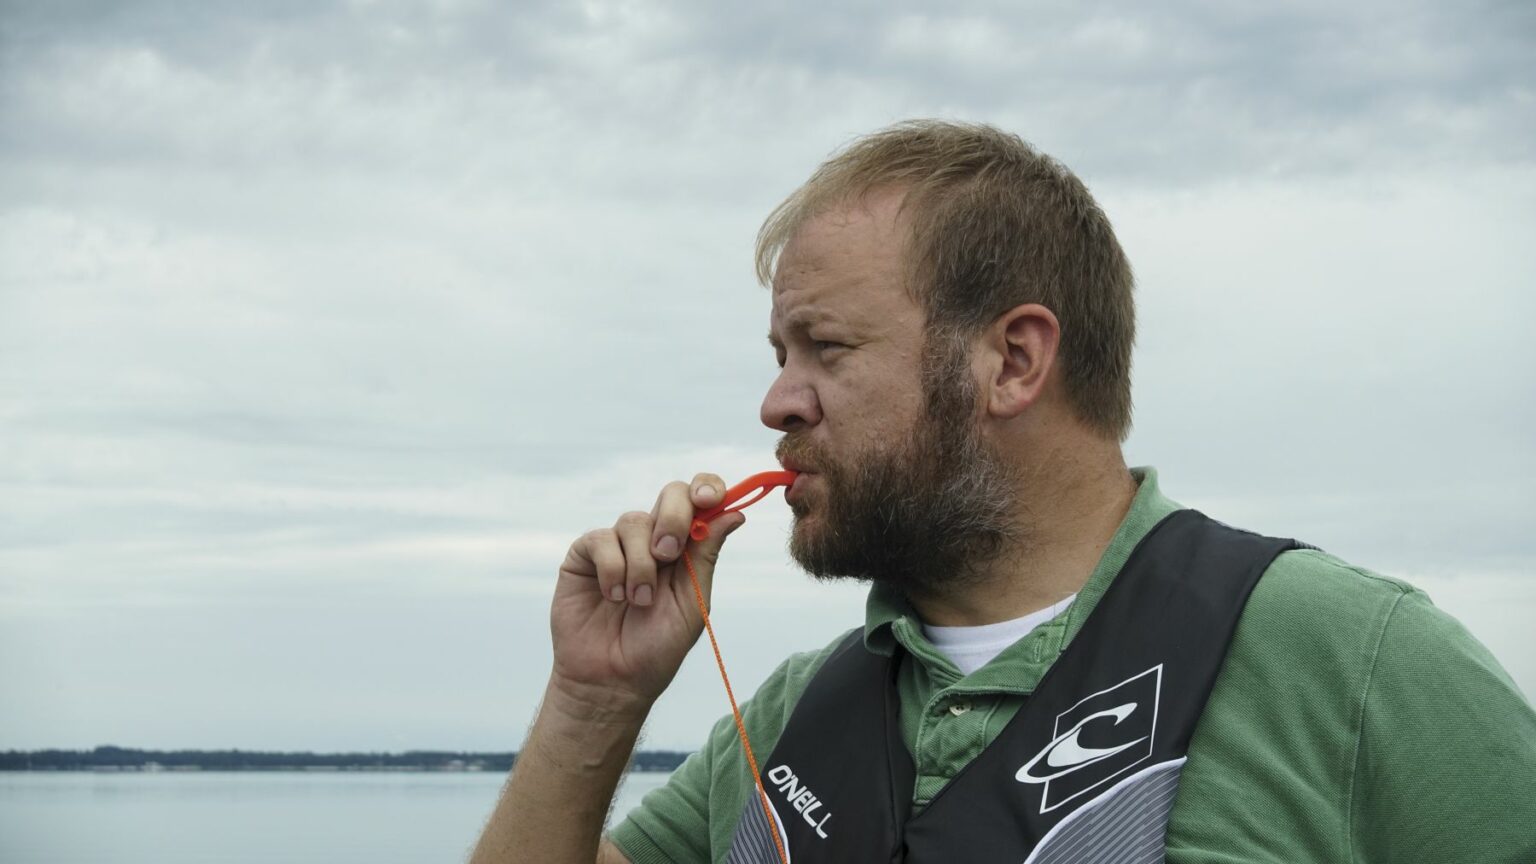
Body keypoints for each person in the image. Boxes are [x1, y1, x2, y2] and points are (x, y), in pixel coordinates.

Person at [470, 121, 1536, 863]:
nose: (776, 404)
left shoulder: (1355, 662)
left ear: (1014, 363)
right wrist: (593, 703)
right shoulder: (798, 714)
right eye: (778, 352)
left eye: (826, 349)